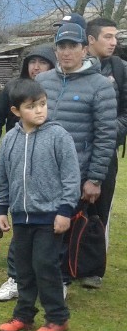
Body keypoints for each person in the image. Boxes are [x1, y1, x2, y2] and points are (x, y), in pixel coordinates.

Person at [0, 79, 79, 331]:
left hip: (51, 217)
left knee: (45, 265)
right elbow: (3, 177)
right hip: (21, 217)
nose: (40, 110)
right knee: (23, 267)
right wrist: (1, 208)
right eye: (32, 107)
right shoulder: (9, 140)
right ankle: (23, 315)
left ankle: (57, 318)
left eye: (42, 104)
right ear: (16, 111)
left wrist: (65, 210)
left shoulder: (58, 136)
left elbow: (71, 176)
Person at [36, 21, 117, 289]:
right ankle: (28, 278)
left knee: (67, 229)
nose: (67, 52)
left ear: (85, 49)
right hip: (41, 169)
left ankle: (61, 282)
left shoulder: (101, 85)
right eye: (62, 46)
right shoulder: (42, 81)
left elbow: (106, 136)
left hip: (78, 171)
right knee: (37, 226)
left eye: (73, 46)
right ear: (55, 50)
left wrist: (94, 178)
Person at [0, 45, 57, 302]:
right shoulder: (14, 88)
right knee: (20, 222)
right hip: (14, 160)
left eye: (42, 62)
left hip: (48, 164)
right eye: (32, 61)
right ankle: (15, 278)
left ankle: (55, 283)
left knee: (47, 228)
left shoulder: (55, 90)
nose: (36, 66)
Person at [80, 17, 127, 289]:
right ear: (91, 39)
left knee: (99, 208)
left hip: (106, 151)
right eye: (108, 37)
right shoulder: (77, 67)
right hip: (75, 148)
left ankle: (92, 269)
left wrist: (109, 131)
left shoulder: (121, 70)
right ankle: (65, 261)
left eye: (115, 37)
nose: (114, 42)